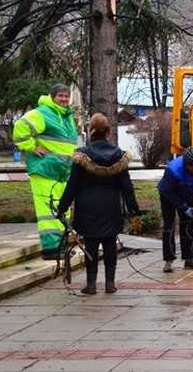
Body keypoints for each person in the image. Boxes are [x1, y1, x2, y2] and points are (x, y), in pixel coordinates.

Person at [56, 113, 140, 295]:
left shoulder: (82, 156)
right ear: (108, 131)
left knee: (91, 244)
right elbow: (127, 186)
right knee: (110, 243)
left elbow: (72, 185)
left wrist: (61, 208)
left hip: (87, 207)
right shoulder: (119, 156)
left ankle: (91, 284)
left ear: (91, 131)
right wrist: (134, 208)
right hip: (111, 206)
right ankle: (110, 284)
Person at [13, 84, 79, 259]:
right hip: (44, 170)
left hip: (62, 171)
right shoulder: (42, 113)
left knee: (61, 209)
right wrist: (31, 147)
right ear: (52, 97)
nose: (64, 99)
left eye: (66, 96)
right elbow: (20, 127)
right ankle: (51, 249)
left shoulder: (67, 116)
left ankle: (61, 245)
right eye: (60, 96)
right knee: (48, 211)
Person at [157, 147, 193, 272]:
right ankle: (169, 260)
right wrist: (184, 208)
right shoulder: (173, 170)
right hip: (169, 195)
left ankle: (189, 259)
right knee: (169, 226)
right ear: (185, 164)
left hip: (187, 194)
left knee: (188, 225)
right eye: (191, 166)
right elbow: (168, 193)